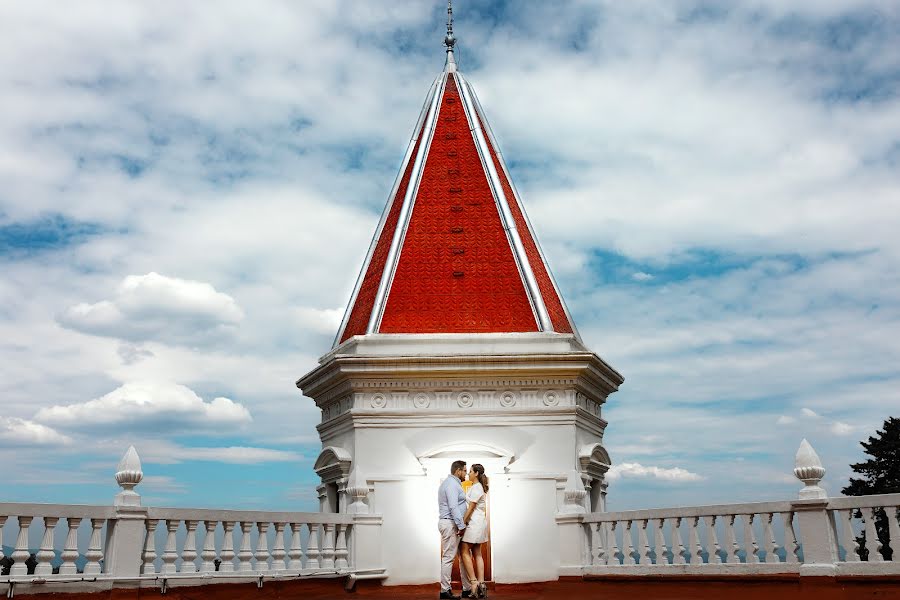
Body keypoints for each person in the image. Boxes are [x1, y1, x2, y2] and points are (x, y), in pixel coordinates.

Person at [437, 460, 472, 599]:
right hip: (452, 524)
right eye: (464, 470)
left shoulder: (451, 483)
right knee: (448, 558)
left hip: (453, 524)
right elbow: (453, 507)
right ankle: (445, 591)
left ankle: (467, 588)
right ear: (458, 471)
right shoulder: (451, 484)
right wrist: (461, 526)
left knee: (463, 556)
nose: (466, 474)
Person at [460, 464, 489, 598]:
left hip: (475, 524)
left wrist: (462, 523)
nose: (468, 474)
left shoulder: (477, 488)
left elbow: (471, 508)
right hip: (479, 523)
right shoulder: (476, 487)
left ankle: (474, 583)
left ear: (476, 473)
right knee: (477, 552)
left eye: (470, 472)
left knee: (464, 550)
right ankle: (482, 585)